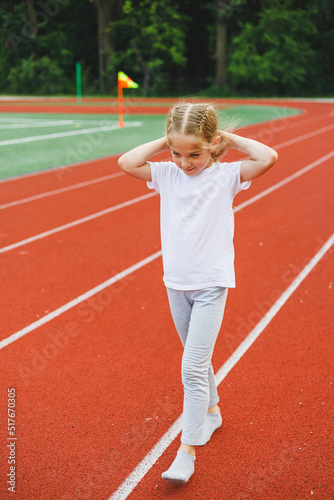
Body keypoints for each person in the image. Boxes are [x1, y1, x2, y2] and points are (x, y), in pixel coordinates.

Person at [118, 101, 278, 484]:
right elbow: (126, 162)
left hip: (210, 283)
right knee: (196, 356)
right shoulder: (165, 174)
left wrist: (226, 140)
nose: (185, 161)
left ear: (212, 144)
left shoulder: (226, 176)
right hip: (176, 281)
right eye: (177, 153)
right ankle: (212, 413)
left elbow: (268, 156)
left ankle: (186, 452)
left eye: (195, 153)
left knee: (191, 366)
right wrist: (167, 142)